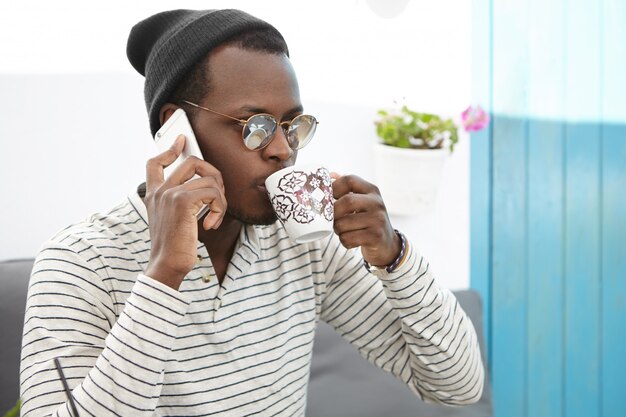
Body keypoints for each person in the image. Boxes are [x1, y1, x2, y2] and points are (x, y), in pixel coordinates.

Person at [19, 9, 484, 416]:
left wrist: (394, 257)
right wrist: (164, 276)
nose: (283, 151)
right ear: (176, 130)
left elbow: (456, 387)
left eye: (292, 126)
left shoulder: (305, 245)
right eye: (255, 126)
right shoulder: (80, 262)